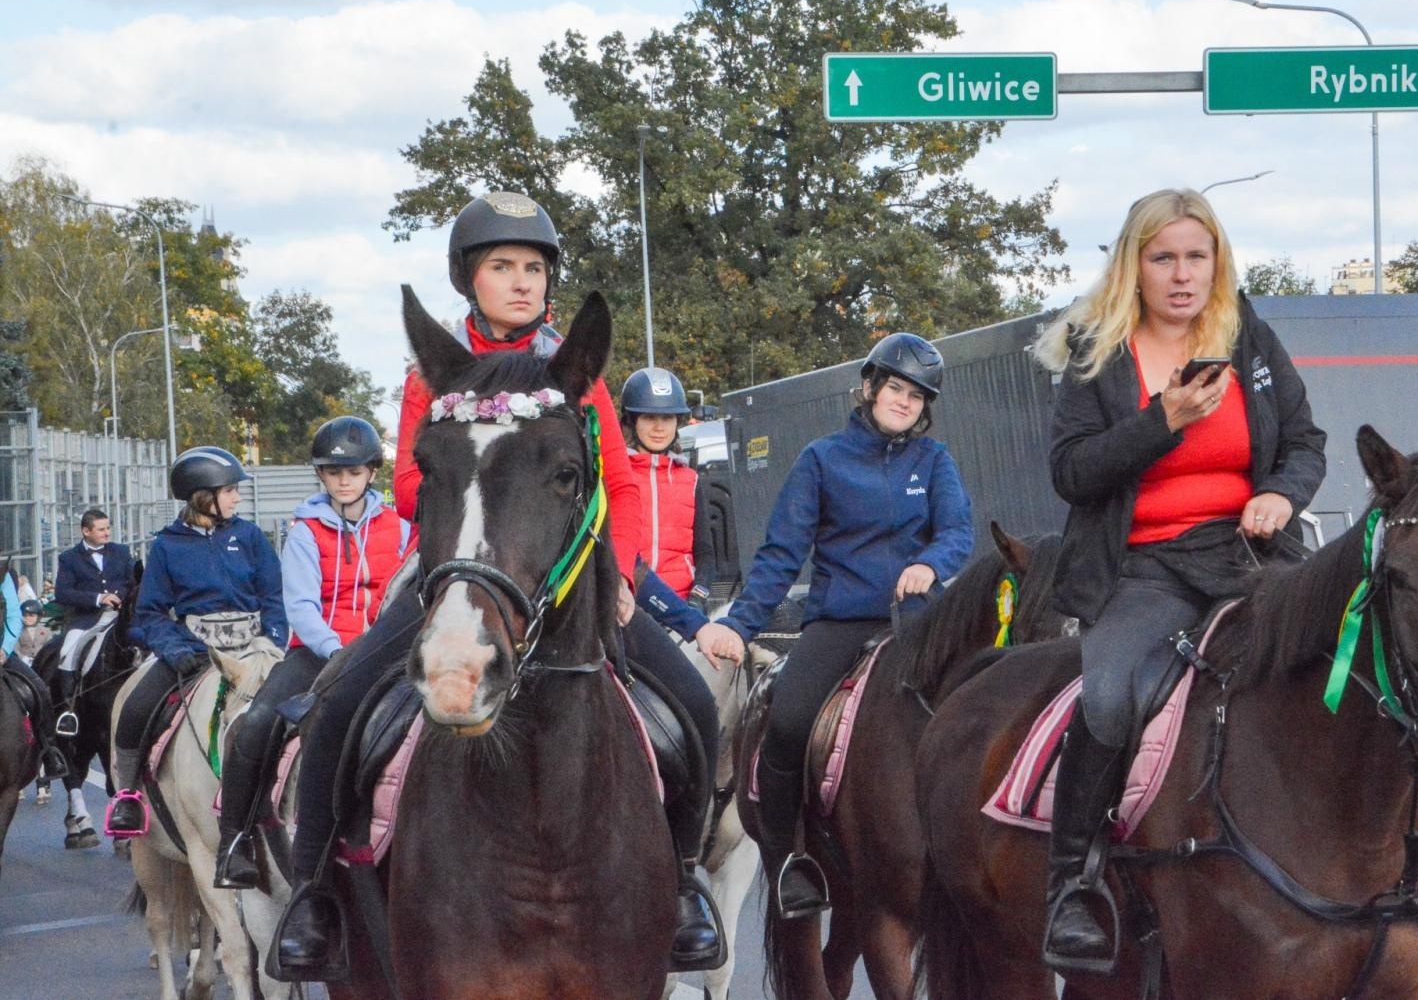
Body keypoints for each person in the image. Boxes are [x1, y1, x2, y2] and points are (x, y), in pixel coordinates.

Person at [273, 191, 724, 979]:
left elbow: (614, 478)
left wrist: (614, 570)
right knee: (342, 703)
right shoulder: (440, 371)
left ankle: (683, 878)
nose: (521, 282)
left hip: (573, 579)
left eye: (534, 268)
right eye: (502, 266)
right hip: (452, 569)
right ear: (468, 278)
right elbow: (411, 482)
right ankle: (312, 892)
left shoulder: (573, 373)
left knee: (689, 699)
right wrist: (467, 475)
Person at [1034, 188, 1326, 970]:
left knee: (1358, 657)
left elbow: (1305, 442)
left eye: (1197, 256)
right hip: (1144, 564)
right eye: (1163, 257)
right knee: (1108, 695)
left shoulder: (1249, 338)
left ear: (1217, 262)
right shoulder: (1099, 351)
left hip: (1250, 556)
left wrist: (1279, 493)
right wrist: (1161, 418)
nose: (1182, 274)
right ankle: (1074, 886)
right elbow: (1071, 471)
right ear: (1135, 266)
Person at [702, 333, 975, 918]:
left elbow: (957, 532)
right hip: (841, 621)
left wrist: (929, 563)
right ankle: (787, 863)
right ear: (871, 387)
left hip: (919, 621)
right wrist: (742, 626)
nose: (904, 402)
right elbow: (781, 554)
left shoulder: (935, 461)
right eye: (896, 388)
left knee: (976, 715)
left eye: (917, 396)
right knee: (788, 721)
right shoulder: (820, 460)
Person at [213, 417, 411, 890]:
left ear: (371, 474)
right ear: (320, 476)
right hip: (320, 652)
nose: (345, 480)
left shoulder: (401, 528)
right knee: (257, 722)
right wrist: (341, 650)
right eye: (333, 471)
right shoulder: (304, 532)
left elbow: (407, 592)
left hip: (388, 652)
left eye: (355, 471)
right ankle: (235, 840)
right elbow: (300, 608)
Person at [105, 447, 289, 835]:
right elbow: (151, 612)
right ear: (205, 497)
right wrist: (175, 650)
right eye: (230, 490)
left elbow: (274, 597)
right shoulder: (167, 546)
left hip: (256, 649)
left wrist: (273, 642)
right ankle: (127, 797)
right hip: (193, 650)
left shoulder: (251, 536)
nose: (237, 497)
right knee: (136, 709)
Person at [620, 366, 725, 637]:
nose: (658, 427)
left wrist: (697, 598)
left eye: (667, 418)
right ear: (632, 421)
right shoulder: (615, 477)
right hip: (628, 613)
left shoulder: (691, 480)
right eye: (649, 417)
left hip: (682, 616)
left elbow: (706, 554)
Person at [52, 508, 136, 726]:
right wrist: (99, 598)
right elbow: (63, 593)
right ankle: (69, 710)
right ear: (86, 531)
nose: (107, 533)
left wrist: (118, 595)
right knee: (67, 652)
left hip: (120, 616)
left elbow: (131, 582)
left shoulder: (122, 551)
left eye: (108, 528)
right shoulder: (69, 558)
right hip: (87, 619)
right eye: (101, 529)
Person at [2, 576, 70, 780]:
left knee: (40, 689)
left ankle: (49, 751)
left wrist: (4, 650)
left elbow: (14, 615)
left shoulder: (2, 574)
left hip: (2, 653)